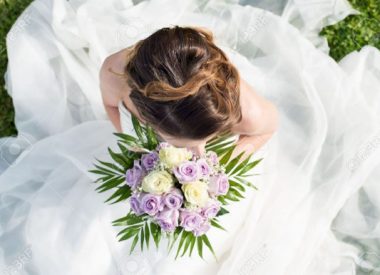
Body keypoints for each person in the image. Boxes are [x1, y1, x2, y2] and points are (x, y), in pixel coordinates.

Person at [1, 0, 379, 274]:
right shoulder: (116, 72)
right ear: (145, 109)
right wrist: (133, 149)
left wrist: (223, 168)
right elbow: (112, 110)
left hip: (218, 171)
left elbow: (266, 129)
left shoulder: (246, 108)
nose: (189, 150)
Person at [99, 26, 278, 158]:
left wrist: (225, 163)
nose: (198, 156)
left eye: (207, 139)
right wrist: (137, 151)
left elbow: (267, 130)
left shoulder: (249, 113)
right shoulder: (114, 73)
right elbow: (111, 105)